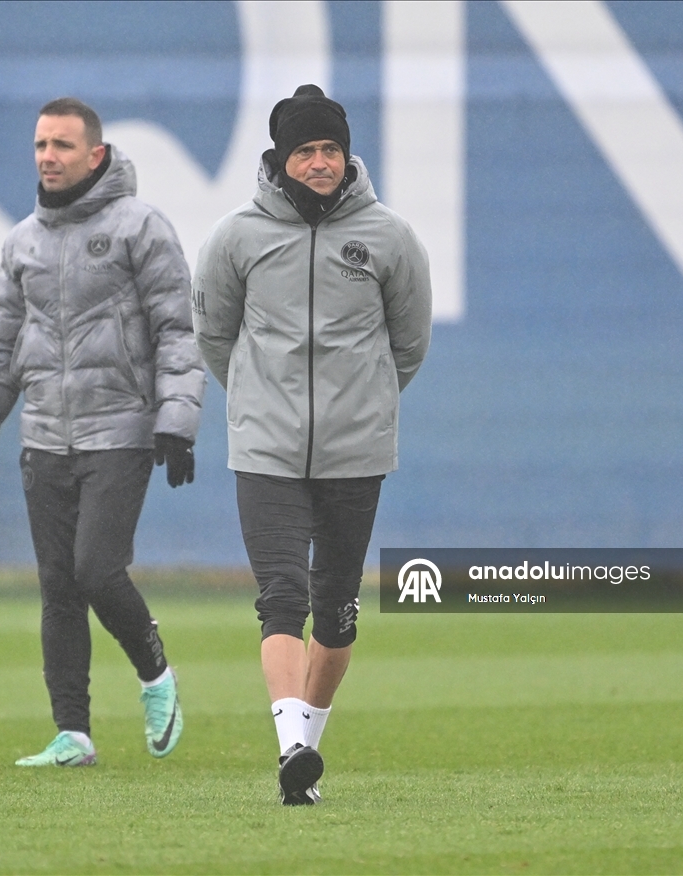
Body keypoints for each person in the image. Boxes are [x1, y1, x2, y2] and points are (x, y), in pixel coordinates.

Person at [193, 85, 432, 804]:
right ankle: (289, 745)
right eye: (307, 150)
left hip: (356, 451)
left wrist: (363, 404)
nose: (321, 162)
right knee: (281, 597)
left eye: (331, 149)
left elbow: (409, 343)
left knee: (336, 608)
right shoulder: (236, 238)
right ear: (281, 159)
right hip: (265, 450)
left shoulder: (389, 237)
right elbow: (215, 337)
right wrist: (261, 405)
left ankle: (307, 752)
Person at [0, 97, 204, 767]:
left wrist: (177, 421)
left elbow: (178, 332)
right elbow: (0, 344)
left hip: (119, 431)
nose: (47, 156)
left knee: (96, 570)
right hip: (44, 440)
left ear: (95, 155)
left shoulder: (141, 227)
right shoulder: (21, 242)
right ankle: (74, 733)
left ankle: (157, 674)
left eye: (62, 145)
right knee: (58, 585)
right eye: (40, 144)